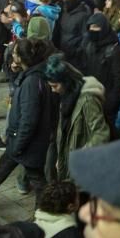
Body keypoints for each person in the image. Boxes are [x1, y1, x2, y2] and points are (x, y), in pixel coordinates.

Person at [0, 38, 56, 204]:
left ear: (22, 58)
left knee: (38, 182)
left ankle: (43, 212)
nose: (12, 53)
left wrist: (17, 145)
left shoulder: (32, 82)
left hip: (25, 144)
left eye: (15, 52)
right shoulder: (34, 74)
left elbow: (29, 119)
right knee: (3, 169)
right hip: (21, 142)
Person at [44, 53, 110, 181]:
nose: (53, 90)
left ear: (66, 81)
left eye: (55, 86)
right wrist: (62, 158)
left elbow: (101, 134)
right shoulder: (68, 96)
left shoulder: (88, 100)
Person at [78, 12, 120, 123]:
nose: (92, 30)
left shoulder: (114, 50)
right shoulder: (88, 44)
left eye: (96, 27)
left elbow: (119, 81)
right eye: (90, 27)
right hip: (89, 98)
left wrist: (110, 103)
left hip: (106, 101)